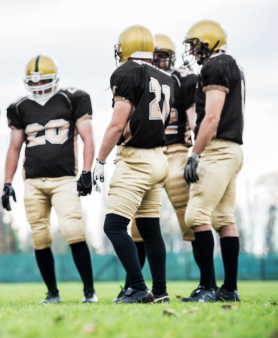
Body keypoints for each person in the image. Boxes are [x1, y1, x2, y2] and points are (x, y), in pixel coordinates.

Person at [2, 55, 98, 303]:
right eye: (33, 83)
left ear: (55, 79)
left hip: (64, 179)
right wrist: (7, 183)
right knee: (39, 235)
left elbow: (88, 137)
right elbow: (14, 148)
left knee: (73, 229)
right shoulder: (20, 107)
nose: (38, 87)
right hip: (33, 181)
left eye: (43, 81)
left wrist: (86, 171)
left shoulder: (72, 98)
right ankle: (53, 293)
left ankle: (89, 292)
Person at [114, 34, 202, 302]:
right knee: (143, 228)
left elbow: (194, 119)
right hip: (156, 154)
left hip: (172, 152)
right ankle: (139, 286)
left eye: (164, 56)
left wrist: (196, 152)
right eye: (157, 55)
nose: (160, 61)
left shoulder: (179, 79)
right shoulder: (151, 79)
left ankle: (205, 282)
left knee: (190, 221)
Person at [94, 25, 174, 304]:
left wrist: (100, 159)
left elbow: (117, 124)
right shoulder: (166, 77)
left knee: (114, 226)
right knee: (151, 229)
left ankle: (138, 288)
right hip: (160, 158)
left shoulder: (126, 72)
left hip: (136, 160)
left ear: (124, 48)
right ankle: (161, 291)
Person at [182, 20, 245, 302]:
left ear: (209, 43)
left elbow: (213, 116)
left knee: (196, 215)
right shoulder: (233, 66)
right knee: (224, 218)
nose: (193, 51)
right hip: (233, 149)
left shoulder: (216, 66)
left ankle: (207, 287)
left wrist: (195, 152)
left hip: (218, 149)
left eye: (195, 45)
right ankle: (229, 289)